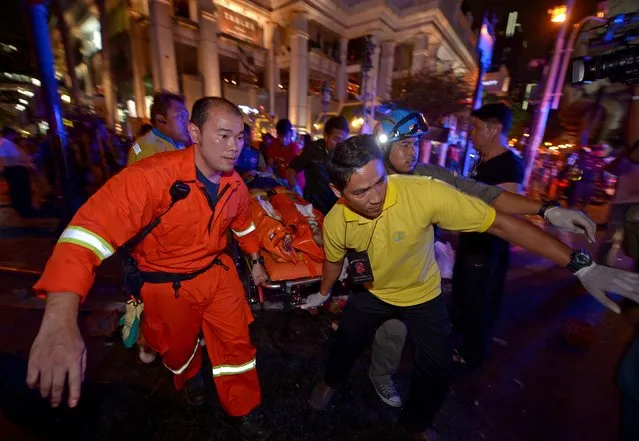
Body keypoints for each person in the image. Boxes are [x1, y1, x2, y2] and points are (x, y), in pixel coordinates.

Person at [303, 135, 639, 440]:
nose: (376, 197)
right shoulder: (335, 221)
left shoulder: (423, 192)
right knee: (345, 344)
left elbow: (501, 224)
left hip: (423, 297)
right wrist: (325, 290)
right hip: (372, 294)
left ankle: (414, 425)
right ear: (338, 192)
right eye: (361, 192)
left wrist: (580, 264)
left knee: (436, 371)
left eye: (380, 182)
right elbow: (334, 261)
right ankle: (329, 382)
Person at [27, 97, 272, 441]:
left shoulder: (236, 185)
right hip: (167, 288)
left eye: (241, 137)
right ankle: (191, 382)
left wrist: (256, 261)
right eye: (224, 136)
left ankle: (243, 408)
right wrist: (59, 318)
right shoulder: (150, 177)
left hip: (219, 277)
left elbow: (243, 226)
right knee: (178, 349)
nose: (235, 147)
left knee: (238, 350)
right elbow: (85, 234)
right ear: (194, 132)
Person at [366, 110, 597, 408]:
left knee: (435, 351)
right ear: (384, 147)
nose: (413, 152)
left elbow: (483, 193)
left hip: (423, 280)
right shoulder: (370, 180)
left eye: (415, 143)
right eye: (405, 145)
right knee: (389, 335)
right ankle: (376, 375)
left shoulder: (428, 174)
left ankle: (419, 415)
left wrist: (546, 210)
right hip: (385, 279)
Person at [452, 103, 524, 369]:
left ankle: (472, 354)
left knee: (479, 299)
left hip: (488, 247)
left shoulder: (509, 164)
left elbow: (502, 209)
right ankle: (461, 343)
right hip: (471, 241)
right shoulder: (481, 160)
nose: (472, 133)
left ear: (494, 129)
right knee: (464, 295)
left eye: (477, 127)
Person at [285, 116, 349, 214]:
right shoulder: (312, 149)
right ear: (326, 136)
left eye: (343, 141)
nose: (340, 145)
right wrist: (295, 188)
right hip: (313, 207)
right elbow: (291, 170)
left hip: (337, 208)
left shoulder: (347, 155)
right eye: (336, 139)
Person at [127, 92, 191, 165]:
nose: (188, 122)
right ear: (161, 119)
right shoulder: (150, 153)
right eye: (181, 116)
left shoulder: (174, 145)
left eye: (187, 117)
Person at [0, 127, 37, 217]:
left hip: (12, 169)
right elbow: (18, 157)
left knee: (17, 190)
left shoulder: (4, 143)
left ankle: (22, 208)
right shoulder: (7, 143)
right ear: (10, 134)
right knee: (21, 190)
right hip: (16, 169)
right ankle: (24, 209)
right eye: (14, 134)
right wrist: (28, 161)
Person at [268, 119, 303, 184]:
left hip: (296, 183)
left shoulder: (295, 149)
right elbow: (270, 163)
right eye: (281, 136)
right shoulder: (275, 144)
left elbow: (294, 173)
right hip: (282, 182)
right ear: (277, 135)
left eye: (286, 136)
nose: (284, 139)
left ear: (291, 133)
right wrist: (269, 170)